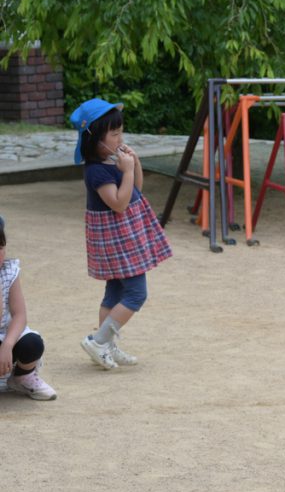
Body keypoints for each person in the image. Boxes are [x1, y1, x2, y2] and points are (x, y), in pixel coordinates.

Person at [71, 98, 172, 370]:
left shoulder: (112, 162)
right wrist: (125, 171)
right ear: (95, 138)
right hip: (118, 240)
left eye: (120, 132)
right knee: (136, 294)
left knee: (115, 291)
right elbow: (118, 203)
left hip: (124, 238)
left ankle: (106, 346)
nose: (120, 138)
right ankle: (98, 341)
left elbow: (135, 190)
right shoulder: (96, 172)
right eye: (114, 134)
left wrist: (134, 165)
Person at [0, 215, 56, 400]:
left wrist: (7, 345)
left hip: (6, 335)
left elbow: (20, 315)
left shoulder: (8, 271)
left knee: (32, 343)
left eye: (1, 248)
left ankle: (22, 377)